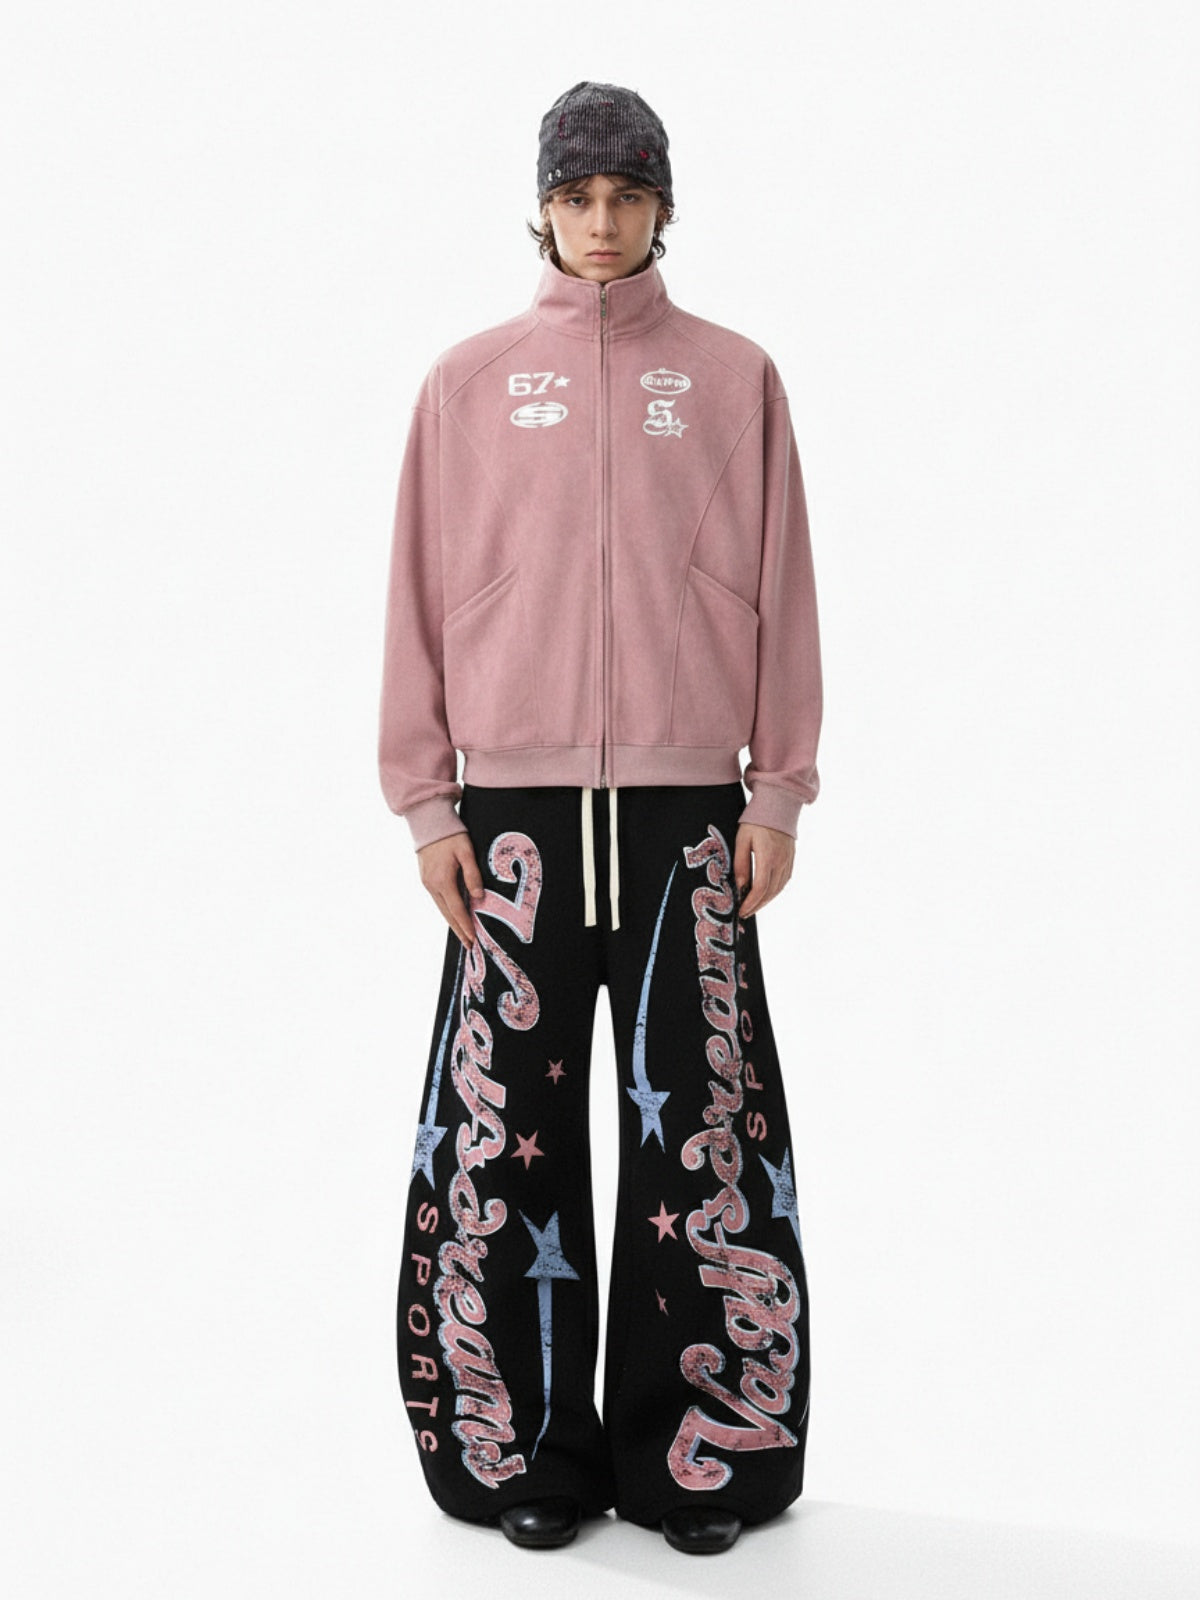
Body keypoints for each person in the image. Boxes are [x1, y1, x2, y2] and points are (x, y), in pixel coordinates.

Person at [377, 80, 823, 1555]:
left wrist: (778, 785)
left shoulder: (736, 378)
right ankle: (521, 1452)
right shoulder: (468, 382)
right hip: (509, 815)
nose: (603, 222)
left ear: (663, 207)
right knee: (503, 1137)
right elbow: (418, 593)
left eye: (629, 196)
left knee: (702, 1134)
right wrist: (426, 800)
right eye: (578, 198)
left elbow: (784, 584)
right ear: (544, 208)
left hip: (691, 812)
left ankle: (700, 1453)